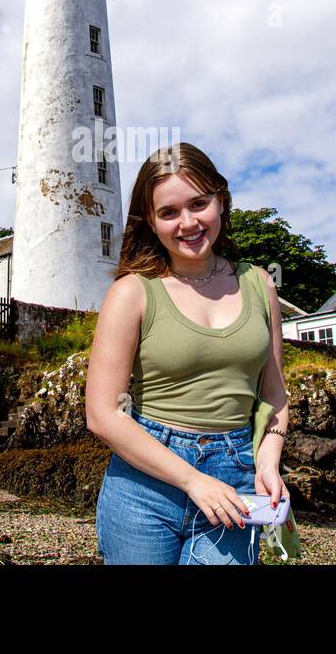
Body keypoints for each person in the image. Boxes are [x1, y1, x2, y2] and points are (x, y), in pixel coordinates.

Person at [87, 142, 292, 564]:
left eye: (199, 204)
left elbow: (274, 395)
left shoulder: (259, 283)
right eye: (169, 212)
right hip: (144, 487)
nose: (188, 223)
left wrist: (268, 462)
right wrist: (193, 481)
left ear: (221, 200)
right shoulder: (132, 293)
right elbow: (103, 415)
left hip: (235, 478)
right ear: (151, 221)